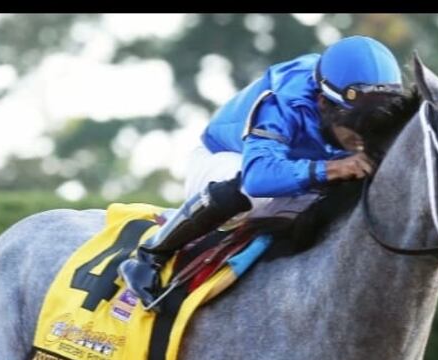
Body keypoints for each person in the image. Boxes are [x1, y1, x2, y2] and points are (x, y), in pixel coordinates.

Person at [119, 35, 406, 309]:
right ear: (323, 102)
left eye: (374, 122)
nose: (365, 134)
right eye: (355, 121)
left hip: (295, 172)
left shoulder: (348, 97)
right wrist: (333, 168)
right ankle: (151, 255)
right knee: (251, 190)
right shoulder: (284, 98)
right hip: (225, 162)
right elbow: (259, 178)